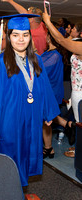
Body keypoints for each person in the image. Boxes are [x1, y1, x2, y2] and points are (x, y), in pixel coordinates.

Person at [0, 13, 60, 186]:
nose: (21, 39)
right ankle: (9, 190)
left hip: (32, 119)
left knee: (28, 155)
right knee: (9, 161)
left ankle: (18, 190)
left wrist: (48, 112)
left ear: (30, 37)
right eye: (15, 35)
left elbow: (44, 88)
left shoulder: (37, 60)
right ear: (8, 36)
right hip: (9, 121)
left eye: (25, 35)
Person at [43, 8, 82, 157]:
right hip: (75, 89)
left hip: (80, 91)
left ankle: (79, 150)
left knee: (80, 123)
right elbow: (60, 38)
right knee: (78, 123)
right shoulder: (76, 43)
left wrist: (47, 20)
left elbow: (60, 40)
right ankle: (78, 146)